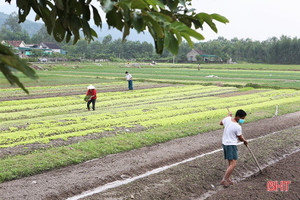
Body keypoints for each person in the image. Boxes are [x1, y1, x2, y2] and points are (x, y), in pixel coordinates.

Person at [219, 109, 248, 187]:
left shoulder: (227, 119)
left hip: (225, 143)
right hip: (231, 145)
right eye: (242, 118)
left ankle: (228, 179)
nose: (243, 120)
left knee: (230, 162)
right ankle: (224, 180)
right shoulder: (237, 126)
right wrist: (244, 141)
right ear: (238, 116)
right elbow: (240, 137)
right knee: (233, 164)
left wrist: (228, 116)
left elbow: (221, 123)